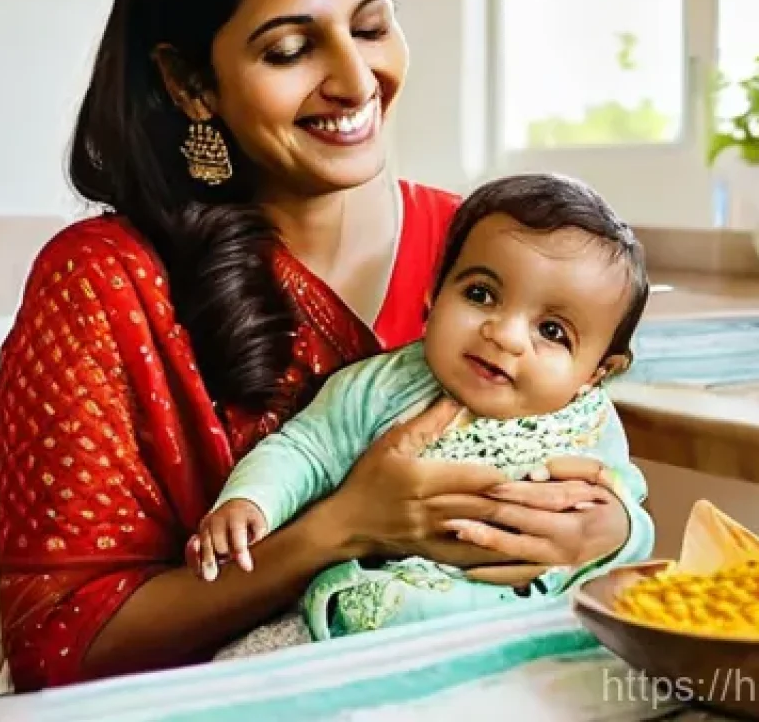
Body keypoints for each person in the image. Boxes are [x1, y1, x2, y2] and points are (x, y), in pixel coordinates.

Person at [0, 0, 639, 693]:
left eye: (372, 26)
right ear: (192, 84)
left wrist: (602, 531)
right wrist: (340, 530)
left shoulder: (481, 249)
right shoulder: (103, 286)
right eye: (291, 48)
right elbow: (57, 647)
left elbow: (591, 443)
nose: (354, 78)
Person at [192, 173, 654, 649]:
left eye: (553, 331)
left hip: (527, 630)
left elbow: (623, 497)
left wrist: (619, 532)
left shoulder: (590, 422)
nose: (505, 335)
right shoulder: (380, 385)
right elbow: (303, 449)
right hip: (361, 621)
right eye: (480, 294)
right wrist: (250, 502)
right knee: (250, 662)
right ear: (434, 296)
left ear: (597, 372)